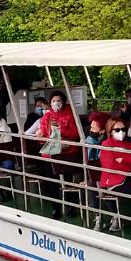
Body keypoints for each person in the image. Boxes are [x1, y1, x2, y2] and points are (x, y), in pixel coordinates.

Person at [92, 117, 131, 232]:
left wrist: (122, 159)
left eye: (123, 129)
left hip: (129, 179)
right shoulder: (106, 144)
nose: (121, 132)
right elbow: (110, 166)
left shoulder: (130, 144)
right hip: (113, 182)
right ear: (110, 131)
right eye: (117, 130)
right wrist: (129, 165)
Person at [38, 90, 82, 219]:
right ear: (50, 102)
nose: (56, 103)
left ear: (63, 102)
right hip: (51, 153)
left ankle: (71, 207)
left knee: (68, 180)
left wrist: (61, 129)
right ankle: (55, 208)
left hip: (67, 152)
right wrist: (41, 134)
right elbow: (43, 136)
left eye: (58, 101)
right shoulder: (46, 116)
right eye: (53, 101)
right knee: (53, 182)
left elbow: (75, 134)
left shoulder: (70, 115)